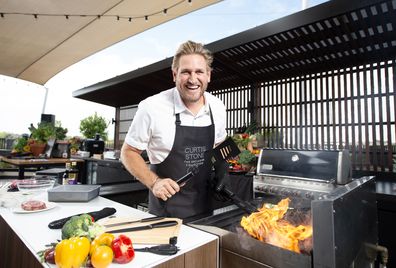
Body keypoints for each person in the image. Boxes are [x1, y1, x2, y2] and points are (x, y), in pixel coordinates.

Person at [121, 40, 227, 219]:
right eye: (186, 72)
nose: (193, 79)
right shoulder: (152, 107)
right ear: (174, 74)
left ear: (208, 75)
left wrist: (223, 169)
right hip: (166, 215)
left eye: (199, 72)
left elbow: (220, 143)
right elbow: (128, 152)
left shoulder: (217, 106)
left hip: (207, 212)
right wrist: (154, 182)